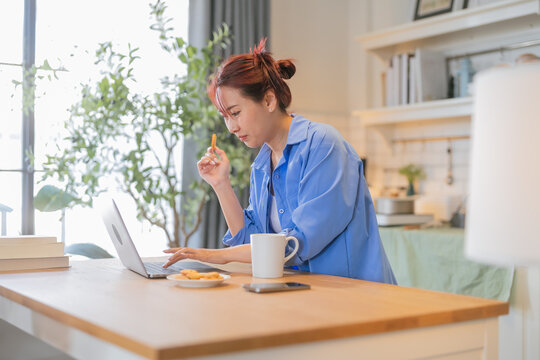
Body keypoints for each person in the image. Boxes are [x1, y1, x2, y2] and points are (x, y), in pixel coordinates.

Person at [163, 39, 396, 284]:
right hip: (306, 295)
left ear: (269, 101)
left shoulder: (323, 145)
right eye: (225, 117)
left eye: (235, 112)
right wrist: (221, 185)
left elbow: (298, 243)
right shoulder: (262, 165)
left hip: (357, 297)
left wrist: (216, 256)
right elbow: (252, 243)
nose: (231, 127)